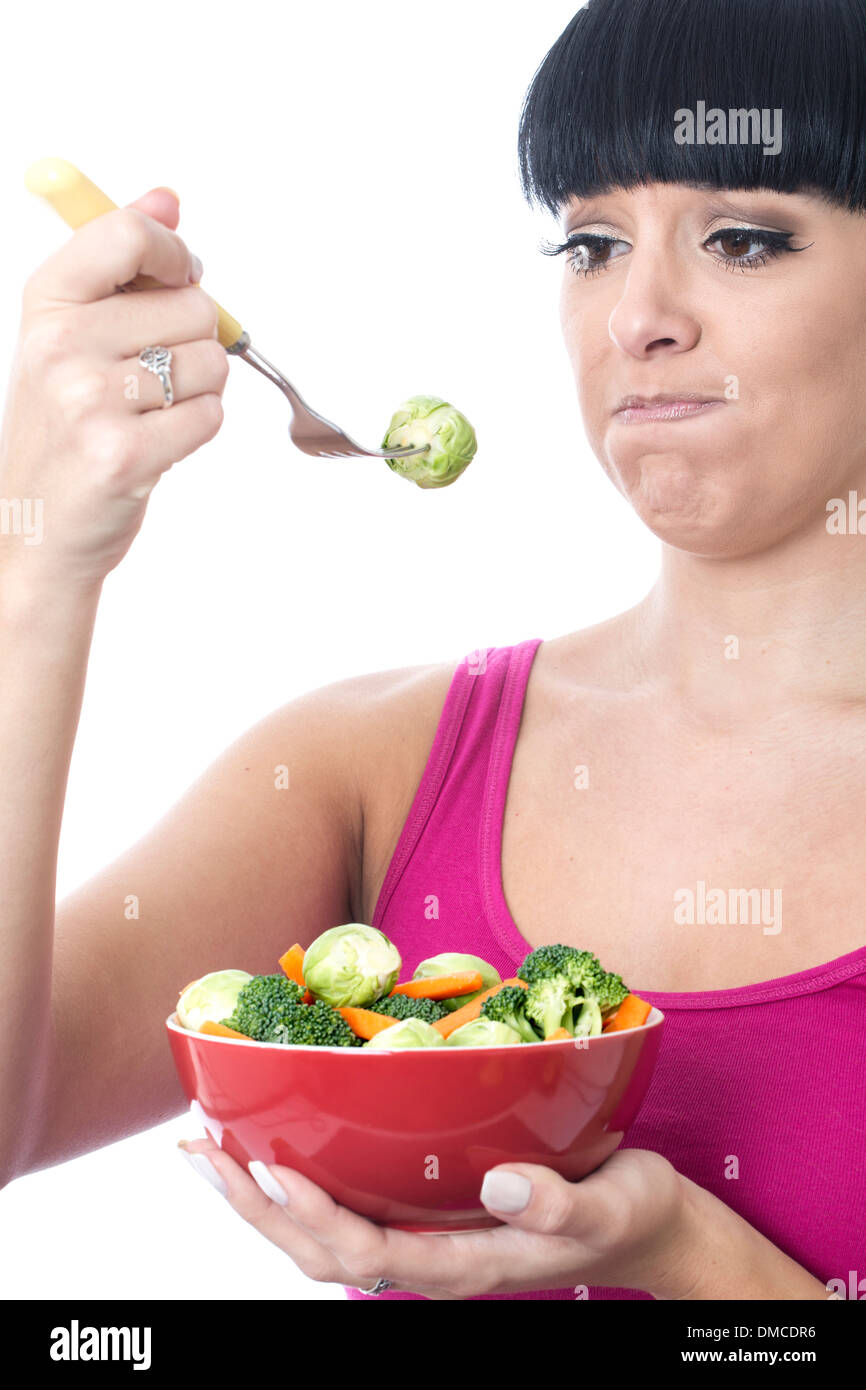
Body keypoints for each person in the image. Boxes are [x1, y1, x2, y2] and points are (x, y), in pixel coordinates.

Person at [1, 0, 864, 1302]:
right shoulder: (377, 761)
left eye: (743, 238)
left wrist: (686, 1255)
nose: (635, 317)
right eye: (588, 242)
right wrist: (40, 565)